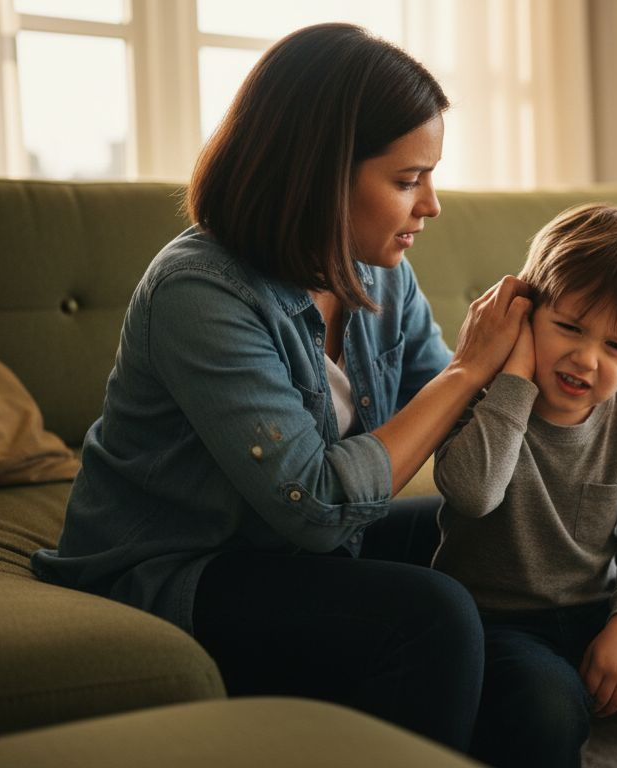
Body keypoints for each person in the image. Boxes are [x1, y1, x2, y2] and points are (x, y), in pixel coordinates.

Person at [30, 23, 532, 752]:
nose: (431, 205)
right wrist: (467, 369)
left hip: (293, 556)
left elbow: (458, 417)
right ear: (321, 174)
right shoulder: (199, 290)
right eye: (406, 181)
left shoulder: (380, 273)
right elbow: (318, 504)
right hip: (180, 566)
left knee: (499, 535)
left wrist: (558, 346)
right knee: (433, 614)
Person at [430, 204, 617, 768]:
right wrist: (514, 376)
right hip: (496, 626)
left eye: (616, 347)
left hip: (596, 611)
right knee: (550, 702)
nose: (586, 358)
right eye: (568, 328)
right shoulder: (478, 400)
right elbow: (473, 493)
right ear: (527, 315)